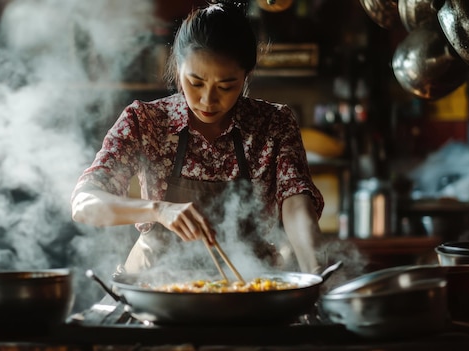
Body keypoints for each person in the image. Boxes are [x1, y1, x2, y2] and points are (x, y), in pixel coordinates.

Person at [71, 1, 324, 275]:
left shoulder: (274, 124)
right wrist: (157, 210)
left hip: (249, 284)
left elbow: (296, 203)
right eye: (195, 82)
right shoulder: (145, 121)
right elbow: (84, 204)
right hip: (156, 285)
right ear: (178, 69)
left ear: (246, 76)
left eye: (226, 86)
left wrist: (317, 269)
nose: (208, 100)